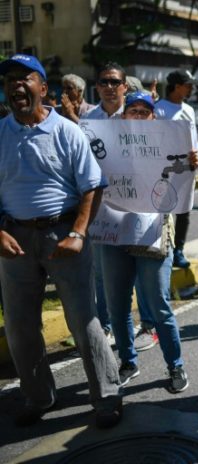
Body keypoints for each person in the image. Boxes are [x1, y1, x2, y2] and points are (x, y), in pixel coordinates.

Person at [0, 53, 122, 428]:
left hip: (63, 235)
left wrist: (77, 233)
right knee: (20, 327)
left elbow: (92, 186)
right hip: (13, 240)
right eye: (9, 80)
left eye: (24, 78)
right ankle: (38, 397)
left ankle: (107, 398)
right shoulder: (0, 132)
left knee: (84, 321)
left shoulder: (67, 131)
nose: (16, 85)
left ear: (43, 87)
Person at [98, 91, 194, 393]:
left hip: (152, 234)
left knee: (158, 302)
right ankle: (128, 361)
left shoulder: (168, 144)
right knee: (117, 303)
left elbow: (180, 180)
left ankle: (175, 365)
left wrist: (188, 164)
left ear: (154, 117)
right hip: (114, 234)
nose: (138, 114)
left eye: (145, 110)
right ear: (123, 116)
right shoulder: (107, 146)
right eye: (133, 110)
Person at [81, 62, 129, 343]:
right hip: (101, 206)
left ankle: (144, 324)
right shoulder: (86, 121)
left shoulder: (139, 116)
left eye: (115, 82)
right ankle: (107, 326)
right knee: (100, 271)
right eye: (104, 82)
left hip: (134, 204)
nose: (109, 87)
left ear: (124, 86)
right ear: (96, 87)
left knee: (136, 270)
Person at [155, 69, 198, 268]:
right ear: (177, 86)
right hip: (165, 168)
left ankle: (179, 250)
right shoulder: (158, 109)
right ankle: (161, 246)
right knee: (163, 208)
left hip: (187, 168)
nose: (192, 88)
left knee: (184, 211)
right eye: (188, 84)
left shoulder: (189, 109)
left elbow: (194, 139)